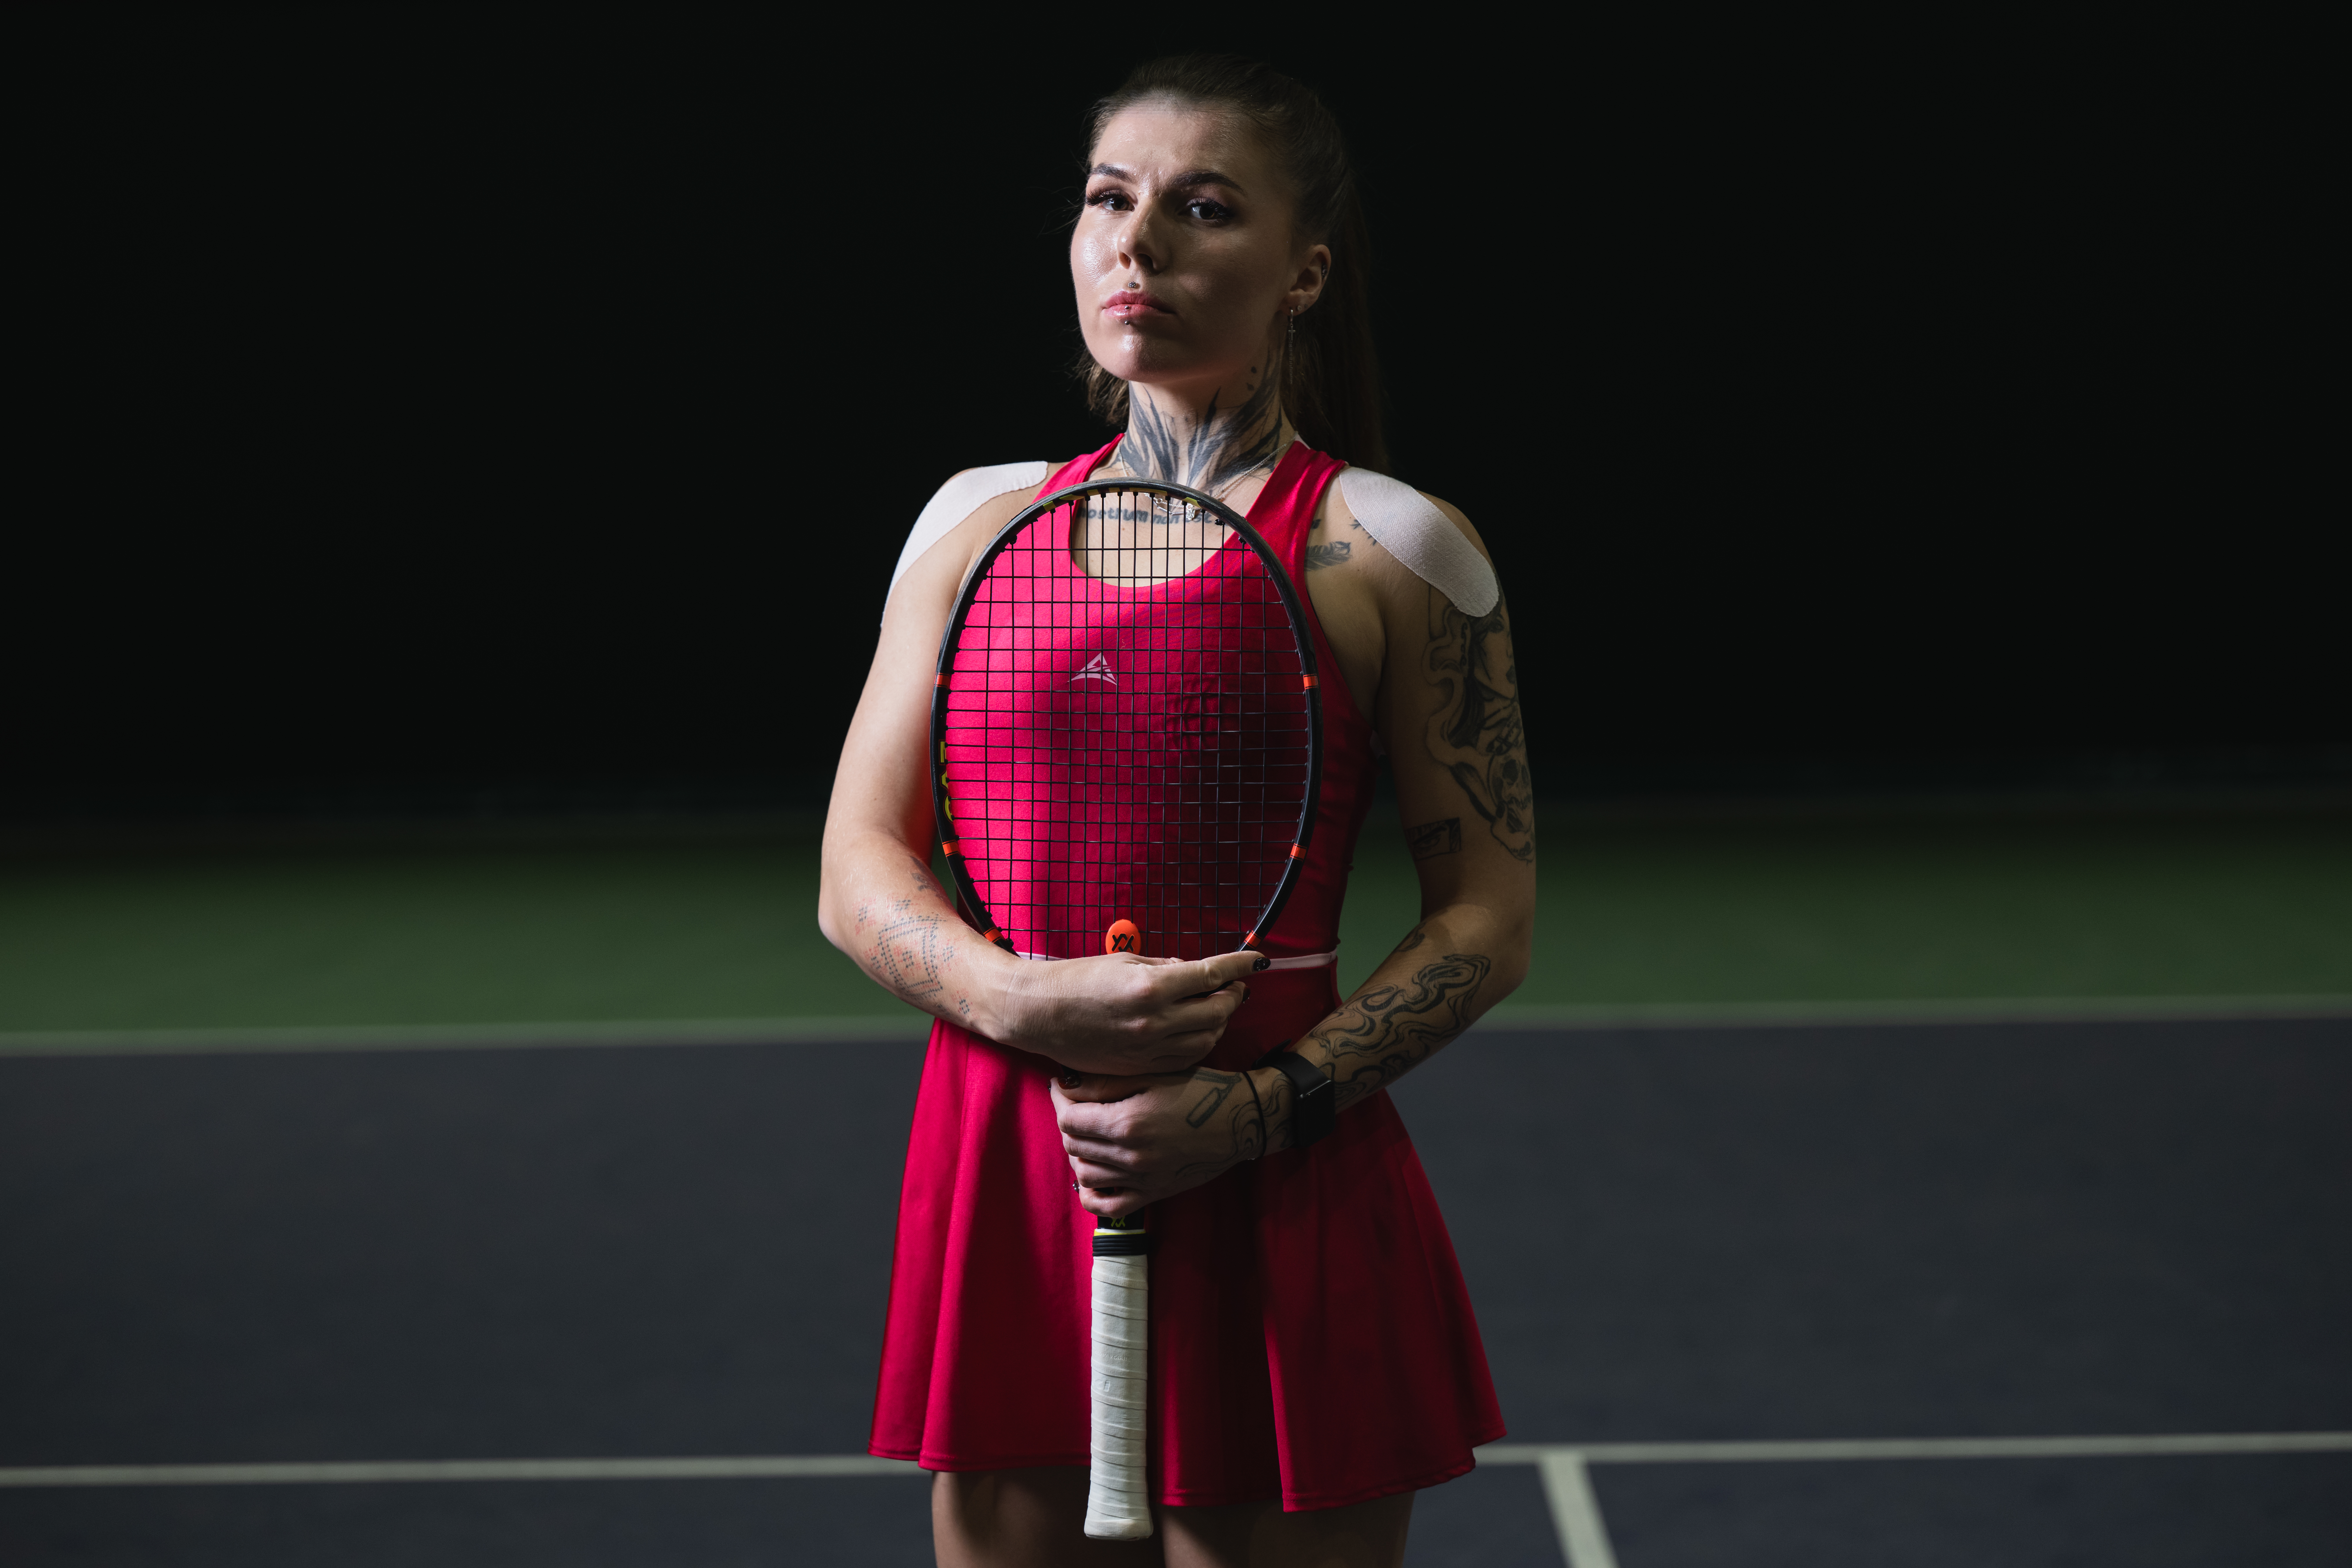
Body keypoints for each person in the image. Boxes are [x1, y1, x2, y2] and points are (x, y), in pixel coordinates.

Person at [819, 53, 1536, 1568]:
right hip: (1014, 1156)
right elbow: (856, 868)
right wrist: (1019, 992)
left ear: (1301, 275)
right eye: (1106, 198)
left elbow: (1485, 919)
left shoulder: (1388, 549)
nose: (1134, 243)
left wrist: (1252, 1114)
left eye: (1201, 209)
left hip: (1273, 1164)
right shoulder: (969, 523)